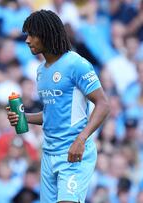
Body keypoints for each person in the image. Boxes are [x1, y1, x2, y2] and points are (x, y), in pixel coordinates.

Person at [6, 10, 110, 203]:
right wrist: (24, 117)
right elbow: (52, 113)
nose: (27, 40)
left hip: (74, 153)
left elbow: (103, 104)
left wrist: (81, 139)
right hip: (49, 154)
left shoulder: (76, 64)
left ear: (46, 34)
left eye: (32, 35)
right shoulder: (40, 71)